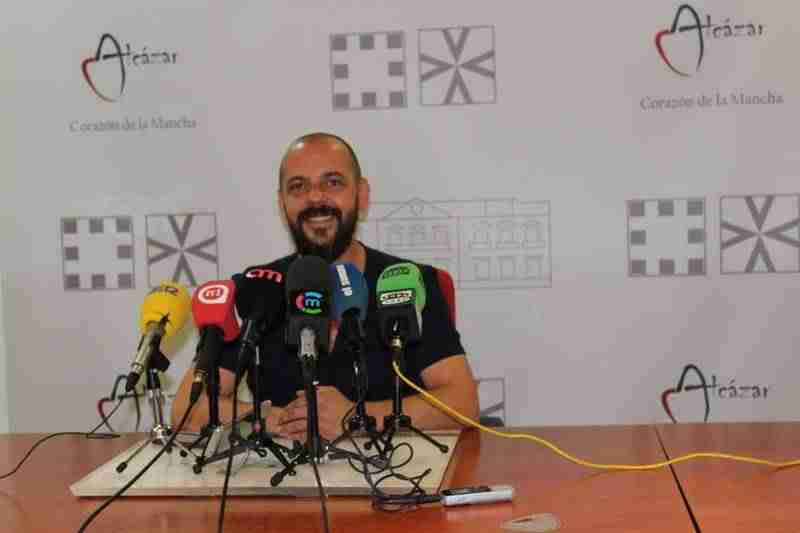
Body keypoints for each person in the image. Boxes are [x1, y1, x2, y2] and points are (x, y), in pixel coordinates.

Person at [171, 132, 479, 442]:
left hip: (392, 479)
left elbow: (462, 404)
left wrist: (358, 418)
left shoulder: (407, 282)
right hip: (282, 483)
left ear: (362, 195)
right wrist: (274, 419)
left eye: (333, 182)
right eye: (298, 187)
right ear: (282, 203)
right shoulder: (256, 290)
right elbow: (187, 408)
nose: (315, 198)